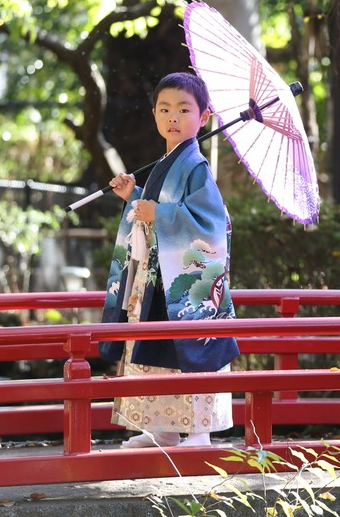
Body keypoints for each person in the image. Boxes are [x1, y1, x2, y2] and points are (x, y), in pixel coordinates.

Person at [100, 71, 239, 449]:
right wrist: (134, 196)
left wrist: (157, 213)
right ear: (154, 115)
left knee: (187, 348)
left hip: (182, 281)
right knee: (152, 345)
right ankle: (161, 428)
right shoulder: (167, 162)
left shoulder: (196, 167)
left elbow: (210, 223)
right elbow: (159, 208)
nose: (173, 118)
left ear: (204, 117)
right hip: (155, 276)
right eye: (164, 109)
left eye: (183, 109)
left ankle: (198, 432)